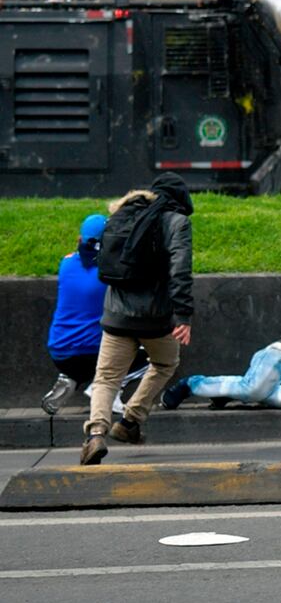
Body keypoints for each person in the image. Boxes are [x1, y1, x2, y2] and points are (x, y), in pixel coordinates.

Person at [79, 173, 194, 465]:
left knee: (106, 378)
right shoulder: (176, 222)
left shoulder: (121, 214)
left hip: (117, 316)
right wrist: (183, 315)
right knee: (165, 363)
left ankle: (95, 437)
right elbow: (179, 270)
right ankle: (130, 421)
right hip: (155, 319)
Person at [42, 214, 148, 416]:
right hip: (95, 351)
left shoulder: (66, 265)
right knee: (150, 354)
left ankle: (71, 378)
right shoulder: (110, 272)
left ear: (79, 239)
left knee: (85, 356)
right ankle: (107, 390)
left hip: (59, 351)